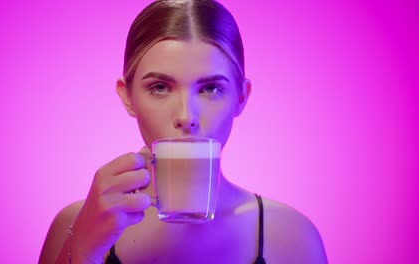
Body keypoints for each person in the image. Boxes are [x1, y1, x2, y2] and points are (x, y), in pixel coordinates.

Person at [39, 0, 327, 263]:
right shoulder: (75, 224)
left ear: (241, 97)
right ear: (127, 96)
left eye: (210, 88)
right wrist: (84, 249)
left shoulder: (292, 236)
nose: (186, 117)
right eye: (160, 87)